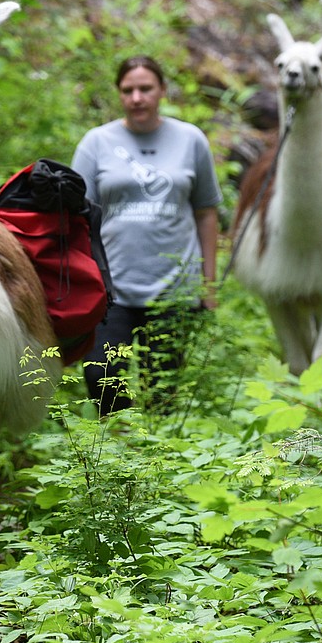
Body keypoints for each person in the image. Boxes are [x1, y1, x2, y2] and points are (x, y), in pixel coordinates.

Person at [71, 55, 222, 417]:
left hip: (175, 290)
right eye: (128, 90)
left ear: (163, 91)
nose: (137, 97)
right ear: (119, 94)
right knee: (102, 379)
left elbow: (205, 212)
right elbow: (75, 216)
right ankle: (118, 453)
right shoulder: (96, 142)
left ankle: (159, 463)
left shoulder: (190, 140)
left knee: (164, 393)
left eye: (145, 89)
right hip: (111, 289)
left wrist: (209, 285)